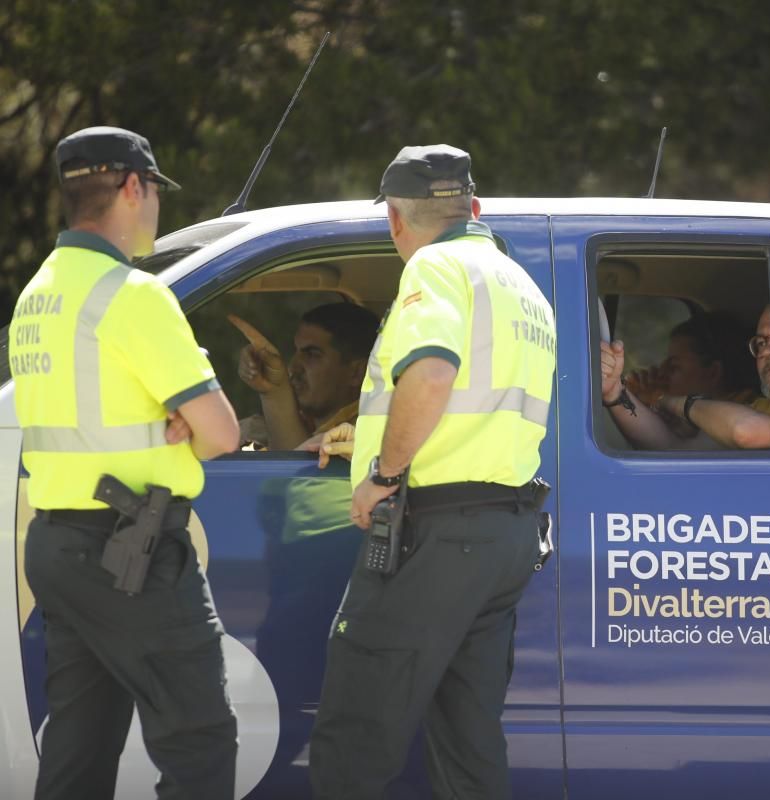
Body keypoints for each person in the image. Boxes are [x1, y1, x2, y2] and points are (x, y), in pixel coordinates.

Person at [308, 144, 556, 800]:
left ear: (396, 218)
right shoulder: (521, 285)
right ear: (472, 207)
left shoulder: (437, 268)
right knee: (467, 746)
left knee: (354, 738)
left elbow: (433, 372)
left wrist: (383, 475)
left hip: (435, 534)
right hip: (505, 534)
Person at [11, 126, 240, 799]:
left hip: (59, 546)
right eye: (155, 194)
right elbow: (223, 433)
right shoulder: (133, 297)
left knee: (79, 752)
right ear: (134, 188)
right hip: (131, 552)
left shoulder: (38, 296)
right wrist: (187, 424)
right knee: (199, 740)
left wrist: (179, 422)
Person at [601, 292, 770, 449]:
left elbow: (747, 431)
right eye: (761, 342)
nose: (766, 351)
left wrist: (678, 403)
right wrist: (615, 392)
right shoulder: (765, 407)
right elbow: (671, 446)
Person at [229, 302, 379, 450]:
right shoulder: (302, 421)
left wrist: (275, 392)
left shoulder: (364, 435)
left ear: (357, 372)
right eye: (297, 351)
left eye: (312, 355)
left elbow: (297, 470)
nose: (293, 367)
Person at [610, 311, 757, 443]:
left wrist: (659, 399)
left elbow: (671, 447)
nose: (660, 373)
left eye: (674, 367)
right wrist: (645, 404)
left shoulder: (746, 417)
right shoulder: (693, 420)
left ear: (712, 372)